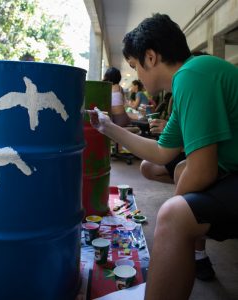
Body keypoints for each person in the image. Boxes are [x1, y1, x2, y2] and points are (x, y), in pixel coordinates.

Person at [88, 13, 238, 300]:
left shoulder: (192, 76)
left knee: (173, 215)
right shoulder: (189, 77)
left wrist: (173, 222)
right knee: (176, 170)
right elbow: (160, 153)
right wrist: (108, 128)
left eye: (135, 67)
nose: (138, 77)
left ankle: (190, 251)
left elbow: (203, 170)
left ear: (151, 57)